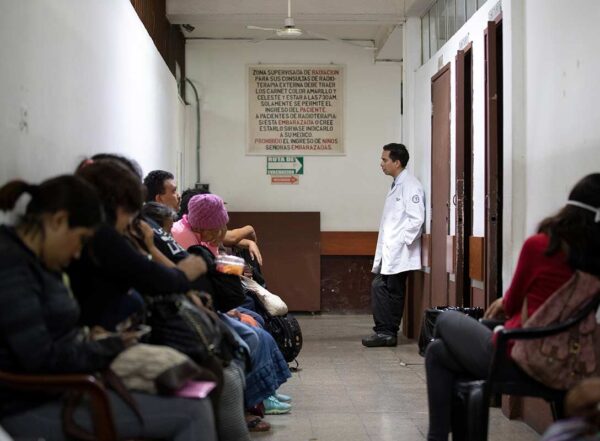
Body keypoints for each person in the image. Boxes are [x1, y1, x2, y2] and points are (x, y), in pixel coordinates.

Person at [0, 175, 217, 441]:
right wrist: (112, 347)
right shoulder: (11, 267)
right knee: (192, 412)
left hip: (63, 386)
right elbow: (41, 359)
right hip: (30, 404)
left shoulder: (38, 259)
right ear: (58, 221)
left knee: (192, 387)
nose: (79, 253)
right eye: (80, 239)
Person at [425, 173, 600, 441]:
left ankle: (436, 436)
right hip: (570, 358)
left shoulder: (542, 246)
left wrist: (502, 303)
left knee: (446, 322)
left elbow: (514, 304)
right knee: (437, 351)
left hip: (519, 355)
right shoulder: (594, 258)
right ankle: (436, 436)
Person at [362, 143, 425, 347]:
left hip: (400, 251)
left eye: (385, 160)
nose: (381, 163)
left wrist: (402, 242)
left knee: (389, 290)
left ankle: (387, 333)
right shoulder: (397, 184)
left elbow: (417, 219)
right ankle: (385, 332)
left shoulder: (411, 185)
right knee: (382, 287)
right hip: (393, 251)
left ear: (397, 162)